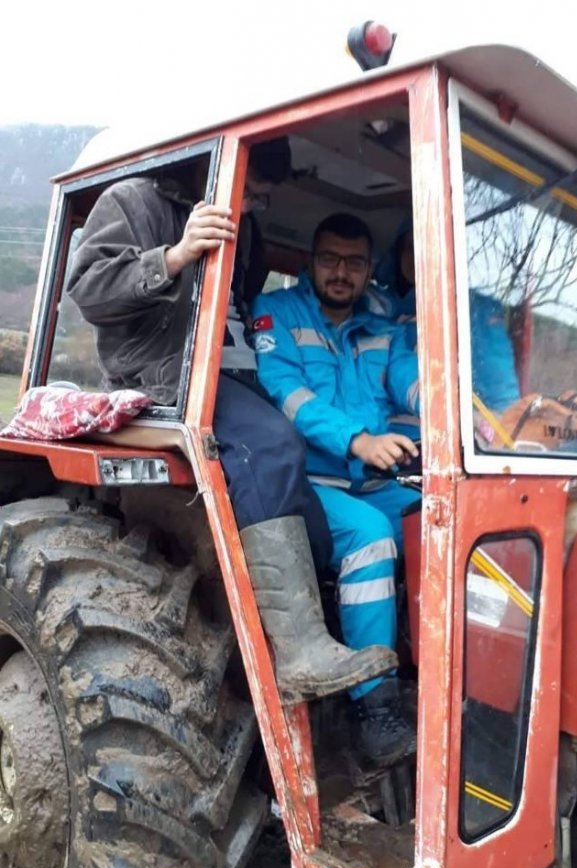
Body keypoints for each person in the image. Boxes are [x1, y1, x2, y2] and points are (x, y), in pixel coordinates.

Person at [65, 141, 396, 702]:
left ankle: (310, 627)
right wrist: (174, 256)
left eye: (259, 198)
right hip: (165, 376)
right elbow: (88, 289)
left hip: (232, 375)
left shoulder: (248, 231)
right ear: (211, 166)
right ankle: (297, 652)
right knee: (269, 447)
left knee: (297, 479)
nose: (249, 207)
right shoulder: (133, 201)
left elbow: (236, 305)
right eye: (247, 191)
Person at [251, 212, 419, 767]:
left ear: (370, 269)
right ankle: (375, 711)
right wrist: (359, 440)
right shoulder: (277, 313)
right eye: (329, 259)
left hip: (375, 479)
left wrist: (466, 414)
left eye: (353, 262)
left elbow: (408, 379)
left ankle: (435, 666)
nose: (340, 272)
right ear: (310, 262)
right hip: (310, 484)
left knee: (441, 519)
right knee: (370, 536)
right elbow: (289, 396)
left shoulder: (382, 323)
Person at [368, 222, 521, 413]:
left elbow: (497, 377)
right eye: (410, 248)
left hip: (467, 427)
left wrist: (502, 421)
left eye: (428, 246)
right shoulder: (382, 309)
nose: (418, 256)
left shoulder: (470, 305)